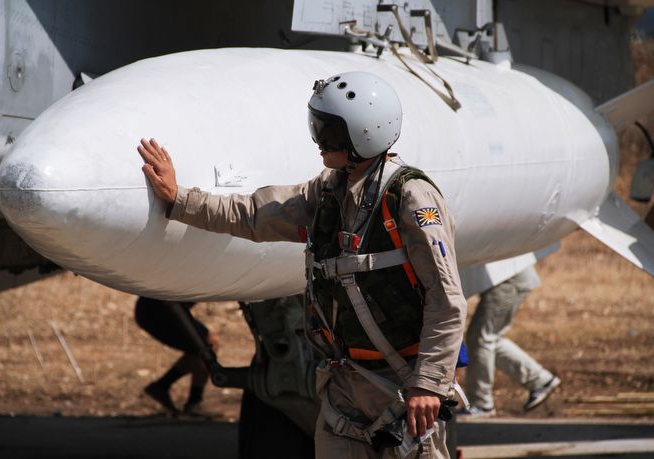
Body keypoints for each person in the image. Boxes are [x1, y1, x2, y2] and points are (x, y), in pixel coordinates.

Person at [138, 71, 466, 459]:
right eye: (318, 128)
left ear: (362, 136)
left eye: (328, 133)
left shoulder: (411, 199)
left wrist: (428, 384)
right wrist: (179, 199)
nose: (318, 142)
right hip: (344, 388)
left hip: (402, 387)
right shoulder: (327, 192)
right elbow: (253, 214)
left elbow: (446, 300)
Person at [462, 266, 560, 417]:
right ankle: (540, 380)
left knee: (481, 338)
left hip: (510, 280)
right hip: (513, 279)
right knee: (486, 338)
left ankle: (482, 404)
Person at [134, 296, 219, 416]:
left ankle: (162, 387)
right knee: (207, 344)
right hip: (161, 309)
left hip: (158, 308)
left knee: (200, 349)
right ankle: (193, 404)